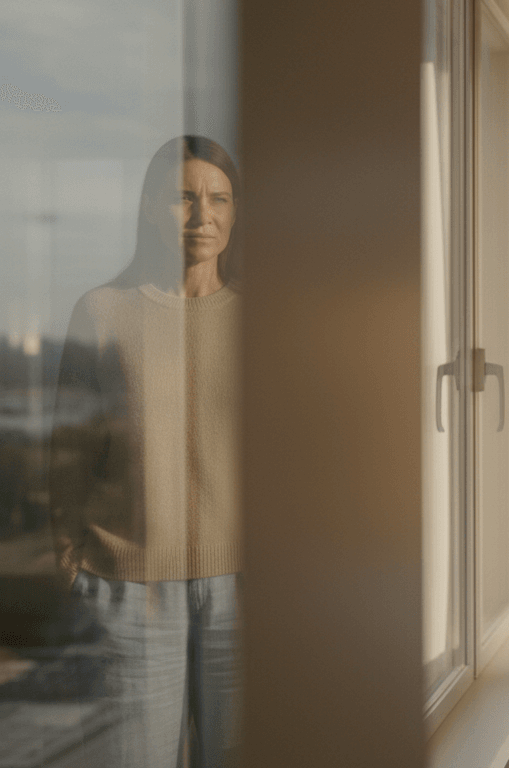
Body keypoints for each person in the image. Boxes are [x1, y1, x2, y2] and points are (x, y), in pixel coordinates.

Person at [50, 135, 242, 767]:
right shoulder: (101, 311)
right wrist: (68, 551)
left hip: (244, 588)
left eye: (218, 198)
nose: (201, 216)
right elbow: (70, 448)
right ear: (150, 208)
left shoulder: (260, 316)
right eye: (182, 197)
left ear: (236, 211)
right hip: (128, 585)